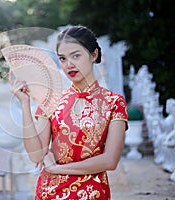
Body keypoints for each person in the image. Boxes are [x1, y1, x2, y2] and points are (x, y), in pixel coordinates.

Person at [10, 25, 128, 200]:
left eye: (76, 56)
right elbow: (36, 155)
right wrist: (25, 104)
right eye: (63, 58)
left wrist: (57, 169)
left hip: (92, 193)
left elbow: (110, 161)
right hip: (49, 193)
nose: (69, 64)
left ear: (94, 55)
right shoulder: (52, 100)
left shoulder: (113, 102)